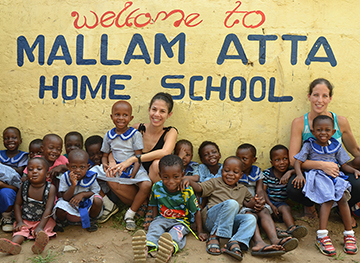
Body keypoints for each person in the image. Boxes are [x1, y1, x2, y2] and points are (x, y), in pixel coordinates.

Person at [288, 78, 360, 228]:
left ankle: (343, 207)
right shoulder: (300, 123)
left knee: (358, 183)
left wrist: (350, 168)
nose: (319, 100)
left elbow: (355, 151)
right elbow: (292, 159)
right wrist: (322, 165)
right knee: (292, 188)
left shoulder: (340, 122)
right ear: (309, 96)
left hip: (336, 173)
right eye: (315, 95)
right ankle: (310, 206)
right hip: (312, 173)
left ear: (330, 98)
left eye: (325, 96)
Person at [108, 93, 178, 229]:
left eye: (162, 111)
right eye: (154, 109)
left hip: (154, 182)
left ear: (169, 114)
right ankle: (142, 203)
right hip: (135, 182)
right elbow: (115, 147)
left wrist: (135, 158)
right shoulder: (136, 128)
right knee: (110, 176)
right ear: (149, 109)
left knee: (157, 163)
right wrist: (111, 162)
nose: (156, 114)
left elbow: (165, 152)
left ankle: (153, 205)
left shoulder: (170, 132)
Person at [294, 115, 359, 256]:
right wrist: (299, 174)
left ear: (333, 131)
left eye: (327, 130)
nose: (323, 133)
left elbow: (344, 165)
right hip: (318, 177)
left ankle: (349, 234)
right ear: (312, 131)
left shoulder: (336, 145)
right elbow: (298, 161)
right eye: (319, 130)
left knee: (342, 198)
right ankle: (322, 235)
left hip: (335, 176)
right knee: (328, 199)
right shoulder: (309, 144)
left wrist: (354, 170)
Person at [132, 155, 207, 263]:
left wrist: (200, 231)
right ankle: (145, 248)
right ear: (160, 175)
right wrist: (153, 220)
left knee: (175, 234)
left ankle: (168, 250)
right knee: (155, 229)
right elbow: (153, 205)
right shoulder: (157, 187)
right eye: (166, 177)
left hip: (181, 222)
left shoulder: (187, 190)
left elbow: (196, 211)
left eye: (176, 177)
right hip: (162, 218)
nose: (171, 181)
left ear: (182, 174)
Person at [183, 156, 258, 261]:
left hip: (229, 223)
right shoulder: (215, 182)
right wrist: (189, 181)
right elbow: (200, 188)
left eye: (235, 172)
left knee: (251, 218)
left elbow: (249, 203)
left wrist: (256, 202)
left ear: (241, 175)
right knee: (233, 203)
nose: (230, 174)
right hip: (211, 219)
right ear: (222, 171)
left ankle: (235, 241)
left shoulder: (242, 189)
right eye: (227, 171)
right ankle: (213, 236)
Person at [236, 144, 298, 256]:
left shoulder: (257, 172)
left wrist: (260, 201)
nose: (241, 161)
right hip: (243, 204)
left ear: (253, 160)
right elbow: (236, 192)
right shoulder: (235, 172)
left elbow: (260, 190)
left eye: (244, 159)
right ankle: (259, 242)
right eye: (238, 158)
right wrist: (249, 203)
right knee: (250, 216)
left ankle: (274, 239)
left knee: (264, 211)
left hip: (255, 201)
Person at [102, 100, 152, 230]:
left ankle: (130, 214)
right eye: (117, 114)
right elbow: (105, 155)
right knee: (91, 175)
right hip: (116, 167)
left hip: (133, 166)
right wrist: (105, 165)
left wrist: (133, 175)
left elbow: (138, 157)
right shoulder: (108, 135)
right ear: (111, 117)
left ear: (131, 118)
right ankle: (108, 205)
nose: (120, 118)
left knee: (146, 184)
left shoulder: (135, 135)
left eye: (125, 115)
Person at [0, 157, 56, 255]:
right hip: (26, 219)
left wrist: (40, 226)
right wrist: (20, 221)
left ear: (47, 174)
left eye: (39, 169)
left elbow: (48, 209)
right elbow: (17, 204)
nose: (34, 172)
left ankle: (39, 244)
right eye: (30, 169)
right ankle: (13, 245)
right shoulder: (24, 186)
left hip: (42, 220)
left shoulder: (50, 188)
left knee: (43, 231)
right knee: (20, 231)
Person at [263, 145, 308, 239]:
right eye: (277, 160)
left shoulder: (290, 172)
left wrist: (290, 172)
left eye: (285, 159)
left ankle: (292, 228)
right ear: (271, 162)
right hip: (268, 203)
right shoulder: (267, 174)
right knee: (264, 212)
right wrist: (271, 205)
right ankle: (276, 230)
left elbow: (303, 170)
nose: (282, 162)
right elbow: (262, 191)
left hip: (280, 204)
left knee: (285, 208)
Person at [54, 149, 103, 232]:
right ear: (68, 166)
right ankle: (62, 221)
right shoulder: (65, 177)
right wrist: (73, 185)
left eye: (82, 167)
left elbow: (95, 191)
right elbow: (65, 198)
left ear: (88, 167)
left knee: (98, 199)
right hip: (71, 205)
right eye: (73, 167)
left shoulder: (90, 177)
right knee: (60, 205)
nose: (78, 170)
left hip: (87, 205)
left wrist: (83, 194)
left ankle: (91, 220)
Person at [85, 135, 119, 224]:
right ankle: (108, 205)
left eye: (99, 153)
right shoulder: (88, 164)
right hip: (99, 195)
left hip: (114, 194)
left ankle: (109, 205)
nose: (96, 157)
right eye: (92, 155)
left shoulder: (110, 160)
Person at [0, 163, 21, 232]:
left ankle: (7, 217)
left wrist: (2, 185)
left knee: (6, 192)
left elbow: (17, 189)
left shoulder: (7, 172)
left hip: (3, 200)